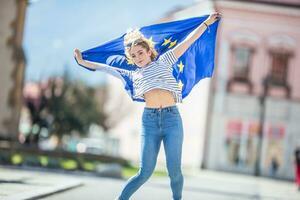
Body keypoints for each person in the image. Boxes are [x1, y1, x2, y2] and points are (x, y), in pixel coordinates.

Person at [74, 13, 221, 200]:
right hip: (149, 122)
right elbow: (104, 67)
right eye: (134, 56)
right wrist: (82, 62)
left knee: (174, 170)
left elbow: (188, 42)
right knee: (144, 172)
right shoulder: (131, 75)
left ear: (149, 51)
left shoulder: (165, 61)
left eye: (140, 53)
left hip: (172, 120)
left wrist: (207, 23)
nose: (138, 58)